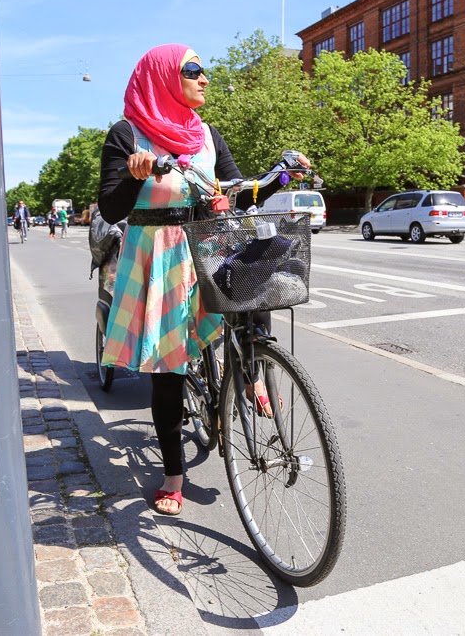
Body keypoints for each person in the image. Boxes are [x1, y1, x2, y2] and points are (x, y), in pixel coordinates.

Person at [97, 44, 310, 516]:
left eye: (203, 69)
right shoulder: (127, 133)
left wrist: (280, 178)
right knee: (169, 370)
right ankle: (173, 474)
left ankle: (250, 369)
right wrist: (135, 175)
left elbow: (234, 191)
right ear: (163, 77)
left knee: (257, 280)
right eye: (193, 70)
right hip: (160, 255)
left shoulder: (205, 133)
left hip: (208, 243)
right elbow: (111, 207)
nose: (204, 78)